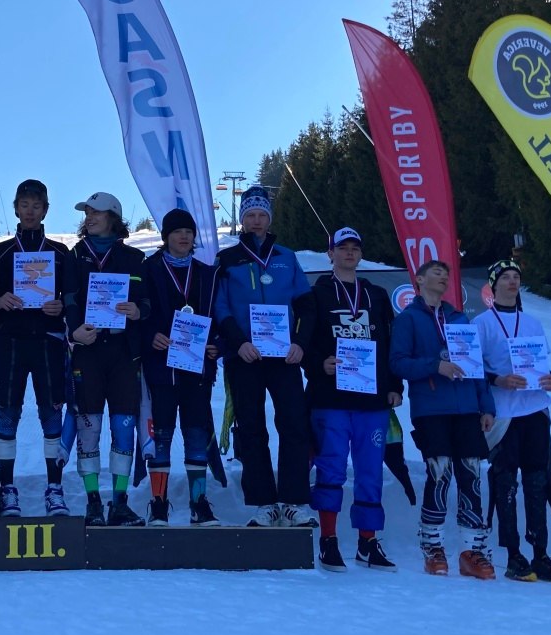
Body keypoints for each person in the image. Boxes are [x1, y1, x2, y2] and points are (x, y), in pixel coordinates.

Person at [213, 185, 317, 528]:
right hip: (245, 355)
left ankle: (293, 500)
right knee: (251, 427)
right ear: (242, 220)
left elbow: (305, 304)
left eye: (262, 215)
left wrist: (299, 342)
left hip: (284, 356)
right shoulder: (228, 259)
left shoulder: (286, 256)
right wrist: (239, 342)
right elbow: (220, 307)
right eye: (250, 215)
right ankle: (263, 503)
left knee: (294, 424)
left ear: (269, 218)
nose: (256, 221)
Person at [303, 227, 403, 571]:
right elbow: (302, 342)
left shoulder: (376, 295)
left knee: (370, 471)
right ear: (330, 253)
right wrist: (319, 364)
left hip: (371, 399)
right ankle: (328, 540)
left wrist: (395, 385)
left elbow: (390, 344)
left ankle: (367, 542)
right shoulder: (316, 293)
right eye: (342, 247)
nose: (349, 253)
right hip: (330, 397)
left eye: (355, 248)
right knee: (331, 466)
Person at [389, 260, 496, 577]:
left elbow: (475, 366)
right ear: (419, 280)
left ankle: (472, 550)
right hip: (432, 408)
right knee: (440, 473)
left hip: (466, 408)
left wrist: (486, 406)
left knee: (471, 474)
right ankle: (433, 547)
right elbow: (397, 363)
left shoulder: (459, 318)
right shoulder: (407, 319)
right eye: (436, 273)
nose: (443, 277)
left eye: (446, 274)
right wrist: (435, 366)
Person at [0, 179, 75, 517]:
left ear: (45, 210)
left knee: (51, 413)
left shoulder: (60, 253)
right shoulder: (1, 252)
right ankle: (7, 489)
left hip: (49, 343)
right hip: (11, 342)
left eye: (36, 205)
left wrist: (61, 307)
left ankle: (55, 488)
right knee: (8, 413)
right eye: (24, 205)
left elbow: (73, 298)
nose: (30, 211)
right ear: (16, 209)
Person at [473, 260, 551, 583]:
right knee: (505, 482)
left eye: (516, 276)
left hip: (535, 411)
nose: (512, 282)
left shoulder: (532, 322)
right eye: (505, 277)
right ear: (493, 285)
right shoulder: (482, 323)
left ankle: (540, 552)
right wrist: (497, 380)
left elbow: (541, 366)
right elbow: (473, 369)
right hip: (504, 415)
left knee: (537, 481)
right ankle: (513, 554)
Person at [63, 192, 150, 526]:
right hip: (88, 350)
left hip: (122, 352)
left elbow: (148, 302)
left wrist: (138, 311)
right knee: (89, 426)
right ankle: (93, 503)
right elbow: (69, 298)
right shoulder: (75, 255)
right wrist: (74, 331)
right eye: (86, 212)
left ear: (113, 217)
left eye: (96, 212)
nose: (89, 217)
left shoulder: (134, 258)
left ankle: (120, 502)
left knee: (123, 426)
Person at [140, 208, 222, 527]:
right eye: (177, 231)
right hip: (161, 367)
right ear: (166, 237)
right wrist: (151, 336)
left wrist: (218, 343)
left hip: (197, 368)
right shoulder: (149, 269)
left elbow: (220, 315)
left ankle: (198, 503)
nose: (184, 236)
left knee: (196, 433)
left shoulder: (207, 273)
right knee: (161, 434)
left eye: (189, 231)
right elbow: (138, 313)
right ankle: (158, 503)